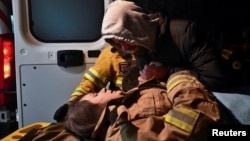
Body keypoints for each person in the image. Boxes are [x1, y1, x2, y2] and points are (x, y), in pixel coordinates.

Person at [101, 0, 229, 93]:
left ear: (137, 28)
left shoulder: (184, 33)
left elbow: (216, 80)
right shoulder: (139, 45)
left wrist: (167, 72)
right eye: (118, 43)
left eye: (125, 40)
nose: (124, 48)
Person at [63, 69, 221, 141]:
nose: (103, 89)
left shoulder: (121, 112)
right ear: (95, 112)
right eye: (96, 95)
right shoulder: (127, 132)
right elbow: (192, 125)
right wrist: (177, 79)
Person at [53, 45, 136, 122]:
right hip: (119, 108)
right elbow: (91, 82)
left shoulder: (148, 52)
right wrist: (72, 104)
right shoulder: (112, 53)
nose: (104, 89)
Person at [221, 27, 250, 93]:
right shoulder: (230, 50)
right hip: (230, 86)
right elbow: (220, 64)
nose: (247, 46)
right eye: (245, 43)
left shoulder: (247, 54)